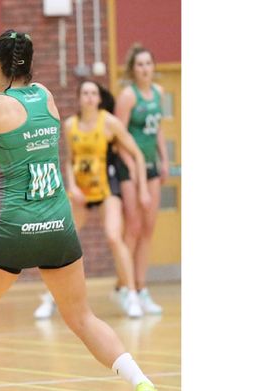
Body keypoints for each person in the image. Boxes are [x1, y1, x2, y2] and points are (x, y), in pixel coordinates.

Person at [0, 6, 180, 391]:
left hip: (13, 227)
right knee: (82, 317)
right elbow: (5, 74)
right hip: (58, 226)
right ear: (30, 65)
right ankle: (142, 382)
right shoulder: (48, 98)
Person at [33, 80, 151, 319]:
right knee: (64, 240)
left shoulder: (109, 122)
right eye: (84, 93)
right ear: (79, 98)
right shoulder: (70, 125)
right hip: (81, 192)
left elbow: (136, 153)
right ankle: (51, 296)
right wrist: (72, 186)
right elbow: (68, 159)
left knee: (113, 236)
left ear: (99, 98)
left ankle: (130, 294)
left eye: (93, 93)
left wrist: (143, 189)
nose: (89, 97)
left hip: (108, 189)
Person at [113, 44, 169, 315]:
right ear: (133, 69)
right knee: (133, 227)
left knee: (148, 227)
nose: (145, 69)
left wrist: (164, 160)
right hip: (129, 167)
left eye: (149, 64)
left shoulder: (158, 93)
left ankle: (142, 288)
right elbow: (118, 138)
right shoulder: (127, 96)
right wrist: (135, 173)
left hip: (152, 166)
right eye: (140, 65)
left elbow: (157, 129)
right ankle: (128, 289)